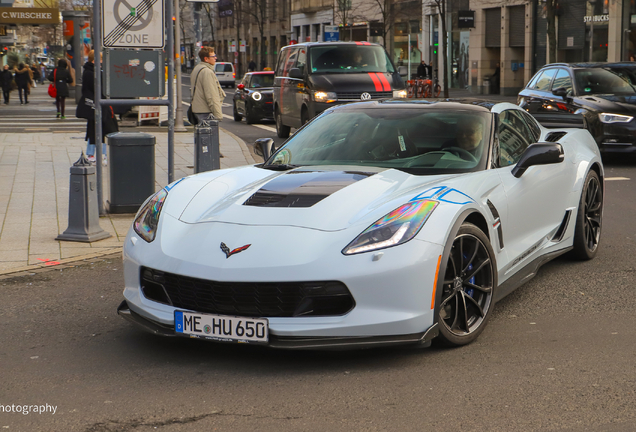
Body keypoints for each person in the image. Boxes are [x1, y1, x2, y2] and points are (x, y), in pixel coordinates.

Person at [76, 50, 119, 165]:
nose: (102, 61)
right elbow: (99, 89)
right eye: (100, 59)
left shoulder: (90, 71)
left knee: (94, 130)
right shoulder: (93, 73)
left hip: (94, 106)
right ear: (94, 60)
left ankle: (93, 154)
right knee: (104, 129)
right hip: (98, 105)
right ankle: (101, 154)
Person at [190, 46, 226, 123]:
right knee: (209, 134)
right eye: (213, 56)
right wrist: (218, 115)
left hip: (197, 110)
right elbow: (211, 95)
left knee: (201, 134)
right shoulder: (207, 72)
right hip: (205, 112)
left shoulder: (197, 68)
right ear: (206, 59)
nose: (215, 58)